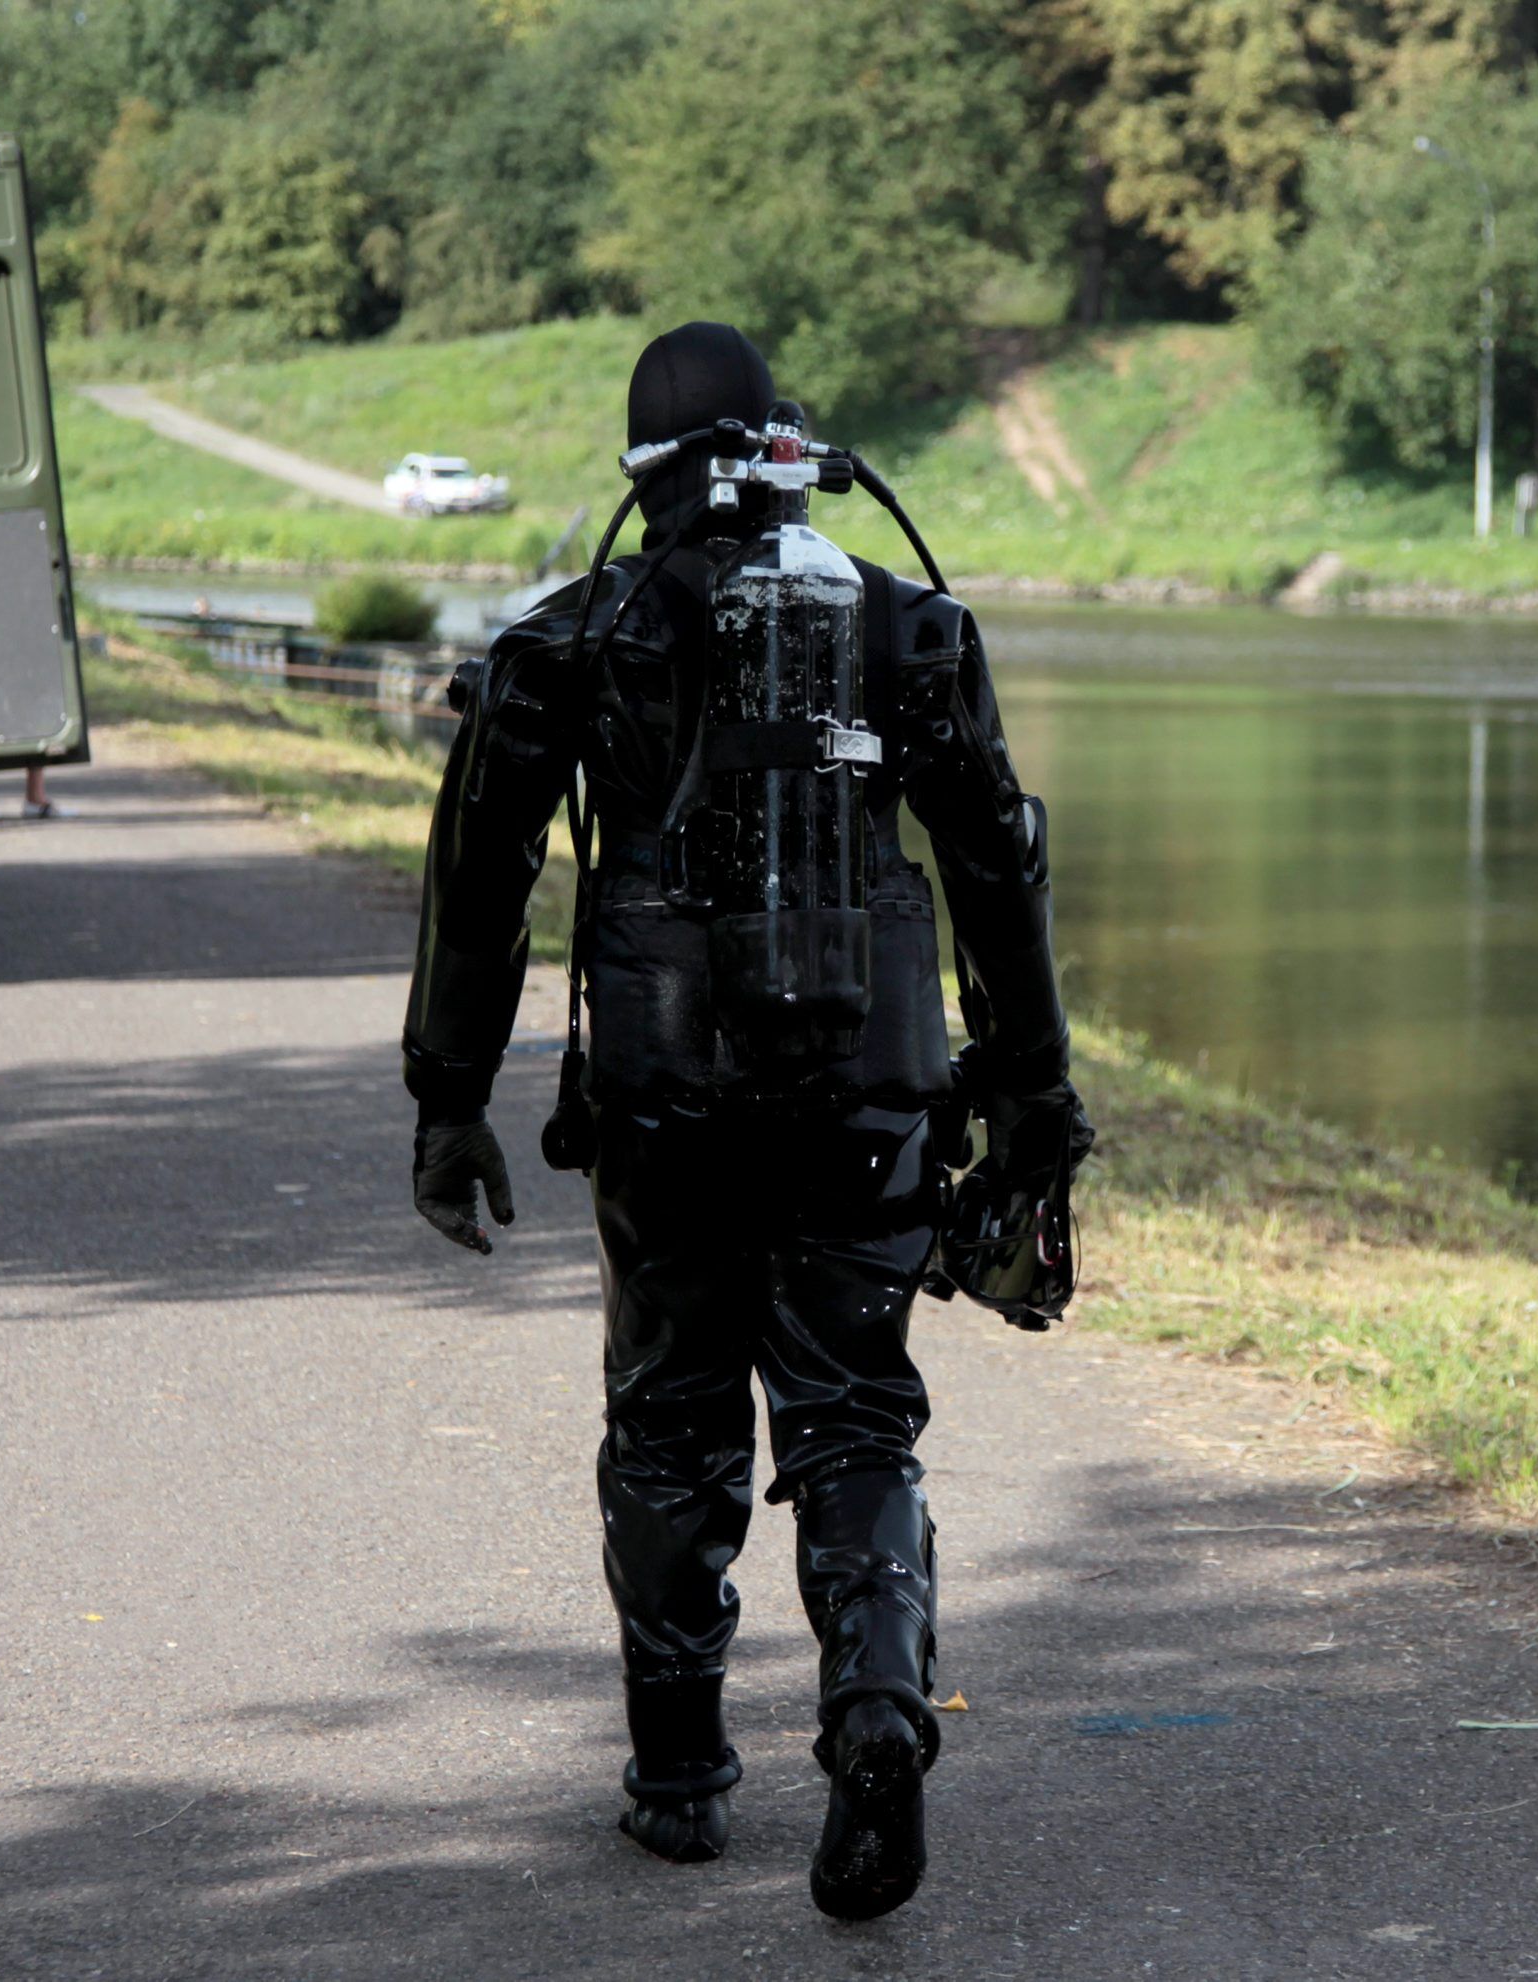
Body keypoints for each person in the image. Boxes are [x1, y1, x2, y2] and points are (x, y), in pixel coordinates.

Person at [400, 322, 1087, 1920]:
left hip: (667, 1102)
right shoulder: (906, 625)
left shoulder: (574, 636)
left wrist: (450, 1098)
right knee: (856, 1417)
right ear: (789, 453)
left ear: (643, 475)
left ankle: (681, 1774)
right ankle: (878, 1703)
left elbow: (480, 874)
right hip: (872, 1089)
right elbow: (999, 866)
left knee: (669, 1422)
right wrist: (1035, 1096)